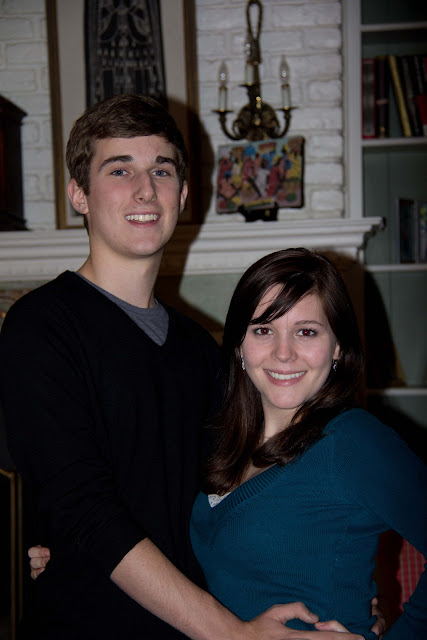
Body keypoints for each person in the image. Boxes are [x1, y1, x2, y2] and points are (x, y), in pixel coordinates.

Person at [0, 95, 371, 640]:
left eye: (162, 170)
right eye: (119, 170)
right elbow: (80, 507)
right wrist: (234, 635)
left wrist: (342, 586)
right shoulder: (40, 326)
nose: (145, 190)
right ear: (79, 193)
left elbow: (250, 489)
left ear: (183, 193)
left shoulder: (200, 349)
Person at [190, 248, 427, 640]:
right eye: (263, 330)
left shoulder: (353, 441)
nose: (283, 353)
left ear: (337, 347)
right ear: (238, 346)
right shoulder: (221, 440)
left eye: (306, 331)